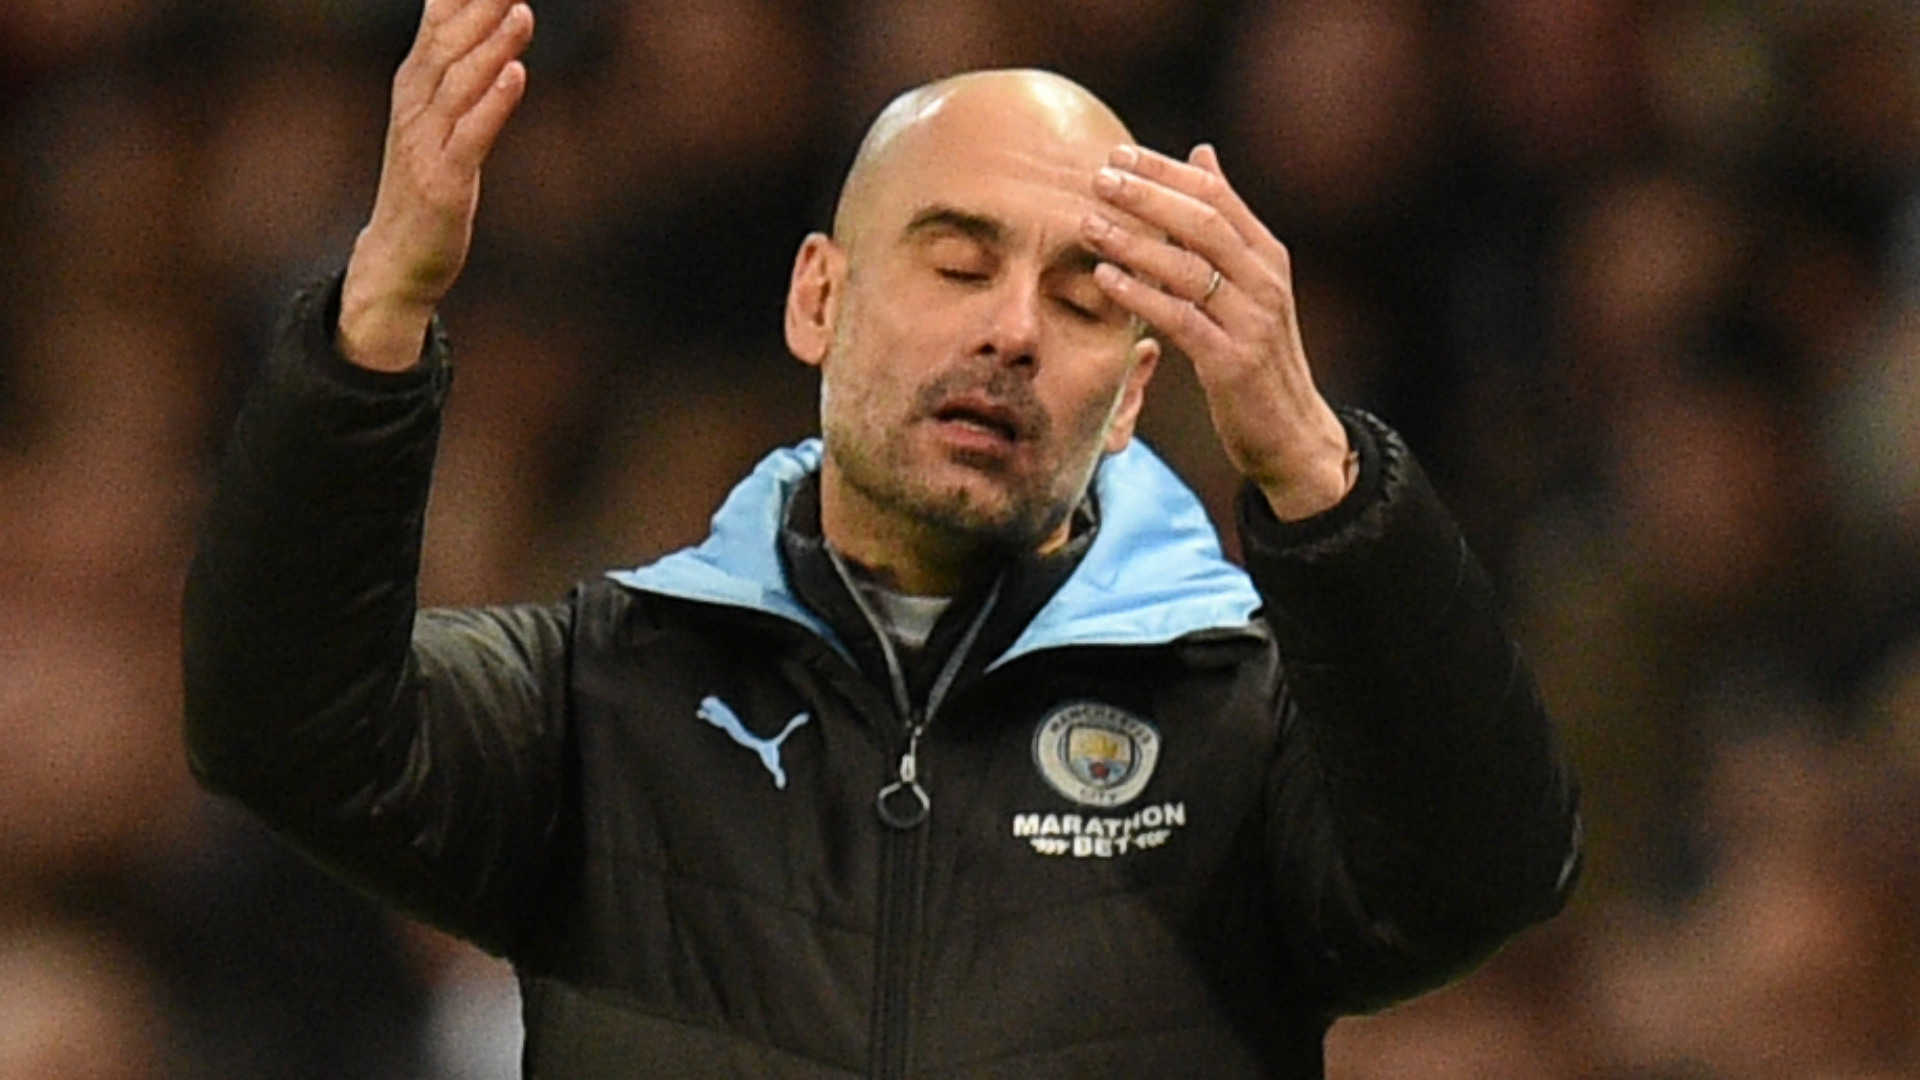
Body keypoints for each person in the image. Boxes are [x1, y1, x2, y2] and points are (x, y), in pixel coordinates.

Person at [182, 0, 1581, 1076]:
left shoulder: (1246, 725)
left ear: (1134, 394)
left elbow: (1490, 873)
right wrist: (378, 318)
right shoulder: (606, 697)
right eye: (958, 264)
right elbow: (280, 727)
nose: (1013, 330)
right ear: (819, 301)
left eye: (1083, 300)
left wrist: (1316, 468)